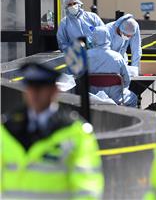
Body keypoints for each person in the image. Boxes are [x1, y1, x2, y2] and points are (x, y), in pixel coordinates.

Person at [1, 62, 104, 199]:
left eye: (40, 88)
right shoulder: (7, 128)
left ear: (54, 90)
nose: (34, 94)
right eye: (30, 88)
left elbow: (86, 189)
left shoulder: (76, 133)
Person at [87, 26, 137, 107]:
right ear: (108, 37)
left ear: (93, 37)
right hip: (116, 99)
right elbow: (127, 80)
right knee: (133, 98)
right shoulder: (117, 57)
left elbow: (80, 77)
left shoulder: (85, 56)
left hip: (92, 99)